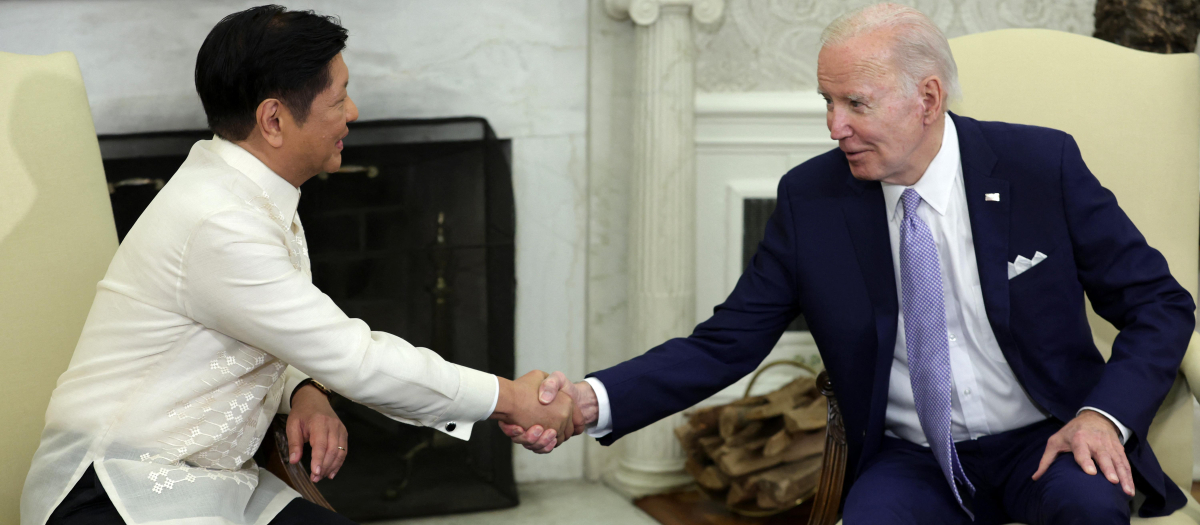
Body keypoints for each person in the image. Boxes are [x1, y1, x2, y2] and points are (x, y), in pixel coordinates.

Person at [506, 4, 1195, 524]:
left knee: (1092, 501)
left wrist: (1104, 415)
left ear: (927, 98)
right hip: (911, 457)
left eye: (854, 103)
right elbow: (726, 341)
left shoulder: (1040, 166)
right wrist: (586, 401)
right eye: (827, 102)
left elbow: (1159, 303)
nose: (833, 126)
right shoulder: (813, 199)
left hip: (1046, 435)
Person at [21, 6, 577, 525]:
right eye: (339, 99)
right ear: (274, 120)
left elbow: (257, 328)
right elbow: (355, 358)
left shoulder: (250, 191)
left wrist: (305, 387)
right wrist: (510, 398)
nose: (352, 113)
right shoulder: (219, 222)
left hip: (218, 481)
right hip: (117, 491)